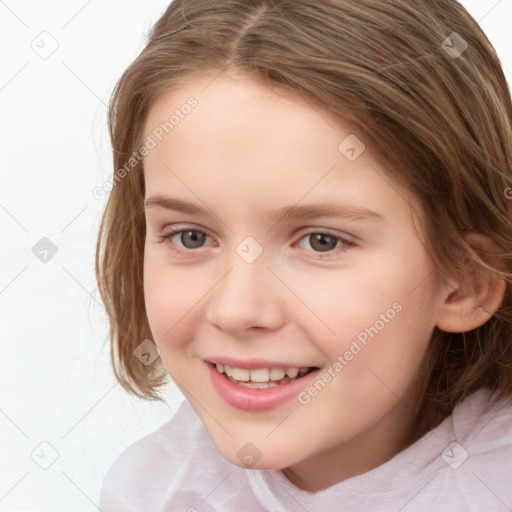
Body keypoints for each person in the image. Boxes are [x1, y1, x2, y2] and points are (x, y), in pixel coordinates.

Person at [95, 0, 512, 510]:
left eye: (322, 241)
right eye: (191, 236)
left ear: (465, 279)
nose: (237, 310)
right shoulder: (153, 492)